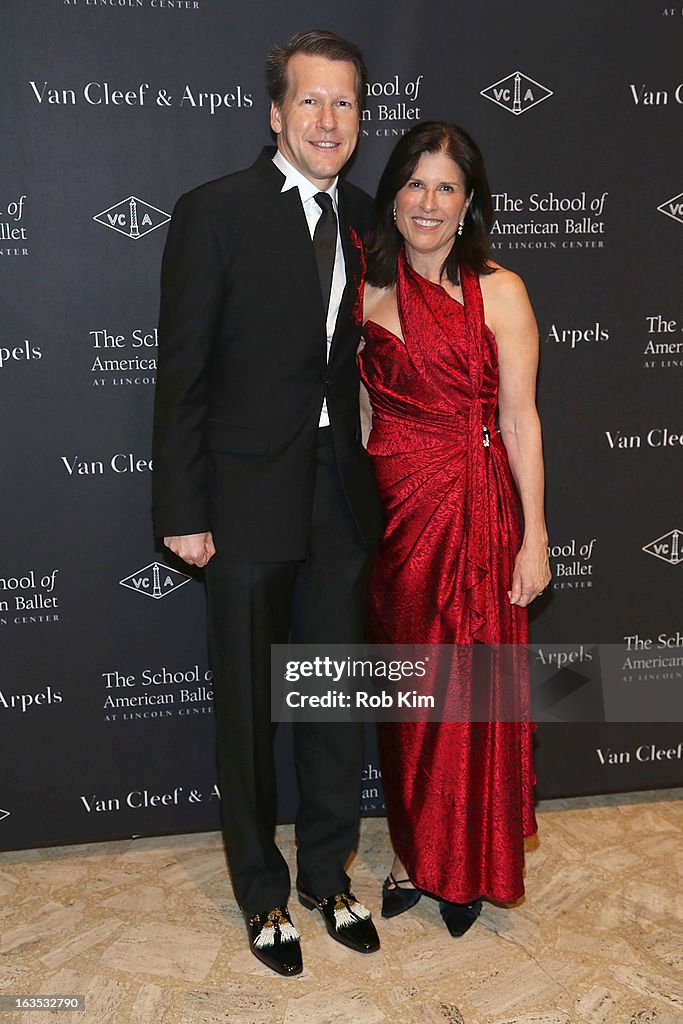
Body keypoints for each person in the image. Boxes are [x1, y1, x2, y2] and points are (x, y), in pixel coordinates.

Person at [152, 30, 383, 976]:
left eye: (345, 104)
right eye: (311, 102)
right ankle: (261, 892)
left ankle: (328, 874)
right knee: (248, 710)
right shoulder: (214, 211)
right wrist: (181, 505)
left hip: (339, 500)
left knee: (329, 704)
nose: (329, 121)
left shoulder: (370, 218)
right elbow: (183, 375)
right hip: (240, 501)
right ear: (276, 112)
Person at [358, 121, 551, 936]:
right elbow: (363, 411)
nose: (427, 203)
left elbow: (519, 419)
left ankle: (466, 862)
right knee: (411, 695)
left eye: (446, 187)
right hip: (396, 520)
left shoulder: (498, 291)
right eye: (414, 184)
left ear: (468, 202)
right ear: (392, 195)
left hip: (477, 513)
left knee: (474, 693)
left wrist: (534, 534)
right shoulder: (360, 290)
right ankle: (412, 853)